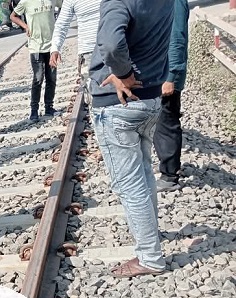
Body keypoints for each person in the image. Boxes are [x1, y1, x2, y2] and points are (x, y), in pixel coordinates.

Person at [88, 0, 174, 278]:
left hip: (119, 104)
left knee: (130, 185)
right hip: (150, 99)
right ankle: (151, 237)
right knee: (145, 175)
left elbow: (112, 44)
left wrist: (123, 74)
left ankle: (150, 257)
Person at [153, 0, 189, 193]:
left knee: (166, 122)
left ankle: (169, 176)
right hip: (161, 71)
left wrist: (171, 75)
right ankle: (168, 169)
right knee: (162, 121)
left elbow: (177, 37)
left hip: (167, 73)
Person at [11, 0, 61, 122]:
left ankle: (49, 107)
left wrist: (59, 24)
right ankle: (34, 110)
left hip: (52, 46)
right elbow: (13, 16)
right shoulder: (26, 1)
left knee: (51, 78)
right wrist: (25, 26)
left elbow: (65, 7)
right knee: (38, 78)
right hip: (36, 46)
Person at [49, 0, 101, 86]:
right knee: (93, 93)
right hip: (88, 53)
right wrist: (55, 48)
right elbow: (62, 24)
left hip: (115, 49)